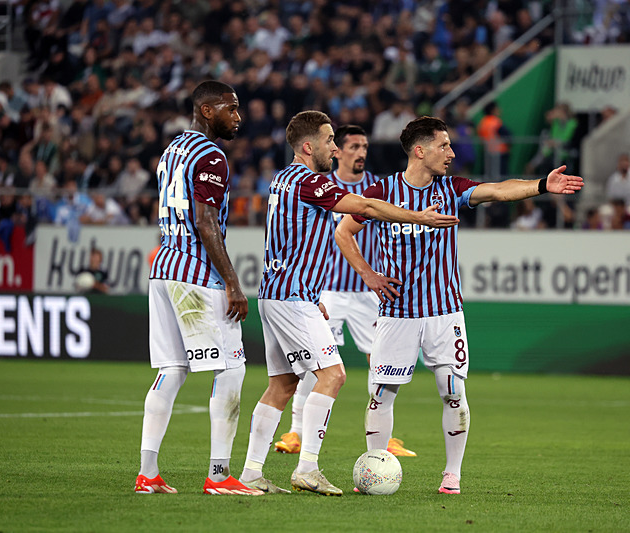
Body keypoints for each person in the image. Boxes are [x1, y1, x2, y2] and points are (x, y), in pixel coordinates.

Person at [334, 116, 583, 495]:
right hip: (397, 314)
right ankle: (374, 467)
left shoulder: (452, 189)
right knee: (381, 394)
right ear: (420, 151)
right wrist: (367, 274)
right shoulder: (382, 191)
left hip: (444, 313)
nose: (451, 152)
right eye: (444, 145)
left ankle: (452, 474)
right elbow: (344, 232)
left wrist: (539, 186)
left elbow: (498, 191)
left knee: (452, 391)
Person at [238, 111, 459, 496]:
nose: (335, 149)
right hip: (292, 297)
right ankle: (307, 468)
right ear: (309, 147)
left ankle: (251, 473)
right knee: (334, 375)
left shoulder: (280, 179)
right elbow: (367, 209)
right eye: (329, 141)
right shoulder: (309, 182)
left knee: (283, 384)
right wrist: (417, 216)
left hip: (279, 293)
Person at [135, 80, 264, 496]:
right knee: (231, 368)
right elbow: (205, 222)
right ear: (207, 111)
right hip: (195, 274)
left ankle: (148, 474)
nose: (238, 117)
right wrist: (232, 283)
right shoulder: (211, 155)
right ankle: (219, 475)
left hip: (164, 267)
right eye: (231, 108)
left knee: (172, 370)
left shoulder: (173, 149)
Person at [272, 125, 417, 458]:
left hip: (368, 293)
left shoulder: (377, 188)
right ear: (338, 151)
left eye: (364, 146)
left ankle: (383, 435)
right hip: (329, 291)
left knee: (381, 361)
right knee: (314, 361)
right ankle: (295, 431)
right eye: (353, 146)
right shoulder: (321, 185)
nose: (360, 152)